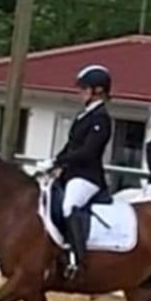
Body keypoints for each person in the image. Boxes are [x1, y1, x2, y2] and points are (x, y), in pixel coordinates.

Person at [43, 64, 113, 279]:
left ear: (97, 91)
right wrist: (53, 163)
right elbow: (71, 145)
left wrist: (60, 160)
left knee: (69, 206)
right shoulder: (83, 116)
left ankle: (77, 258)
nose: (80, 92)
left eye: (84, 88)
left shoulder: (101, 119)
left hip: (87, 177)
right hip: (71, 174)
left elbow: (88, 153)